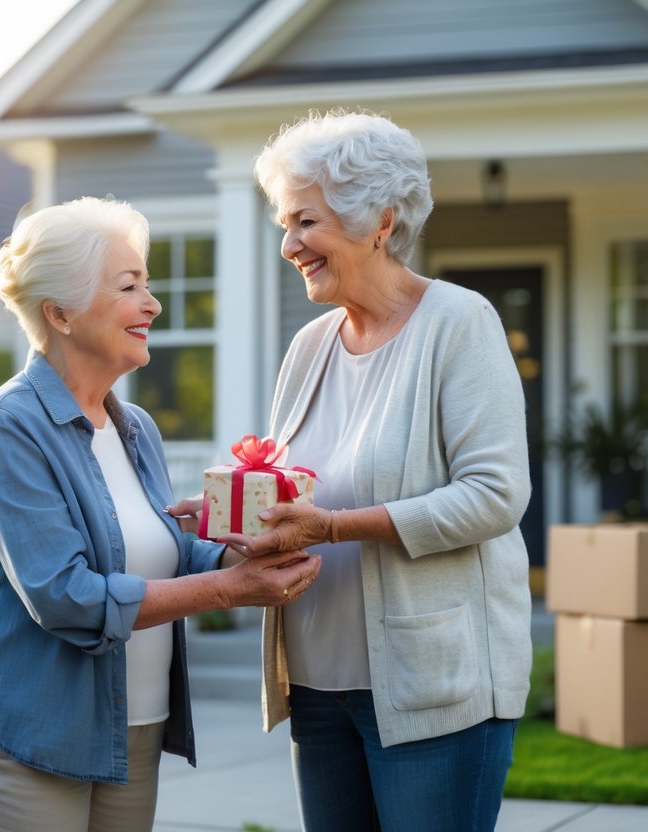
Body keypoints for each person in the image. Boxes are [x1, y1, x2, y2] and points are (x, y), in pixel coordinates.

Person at [0, 196, 320, 832]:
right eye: (129, 286)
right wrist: (228, 590)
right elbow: (66, 595)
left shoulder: (133, 426)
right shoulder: (9, 425)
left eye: (147, 284)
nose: (153, 305)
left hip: (130, 728)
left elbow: (166, 550)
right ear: (59, 313)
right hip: (28, 732)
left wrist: (249, 545)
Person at [228, 110, 533, 831]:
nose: (288, 244)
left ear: (379, 221)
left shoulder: (459, 323)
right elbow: (295, 483)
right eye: (284, 222)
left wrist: (333, 526)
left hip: (429, 683)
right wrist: (240, 514)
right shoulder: (310, 345)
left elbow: (494, 497)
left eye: (305, 221)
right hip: (313, 680)